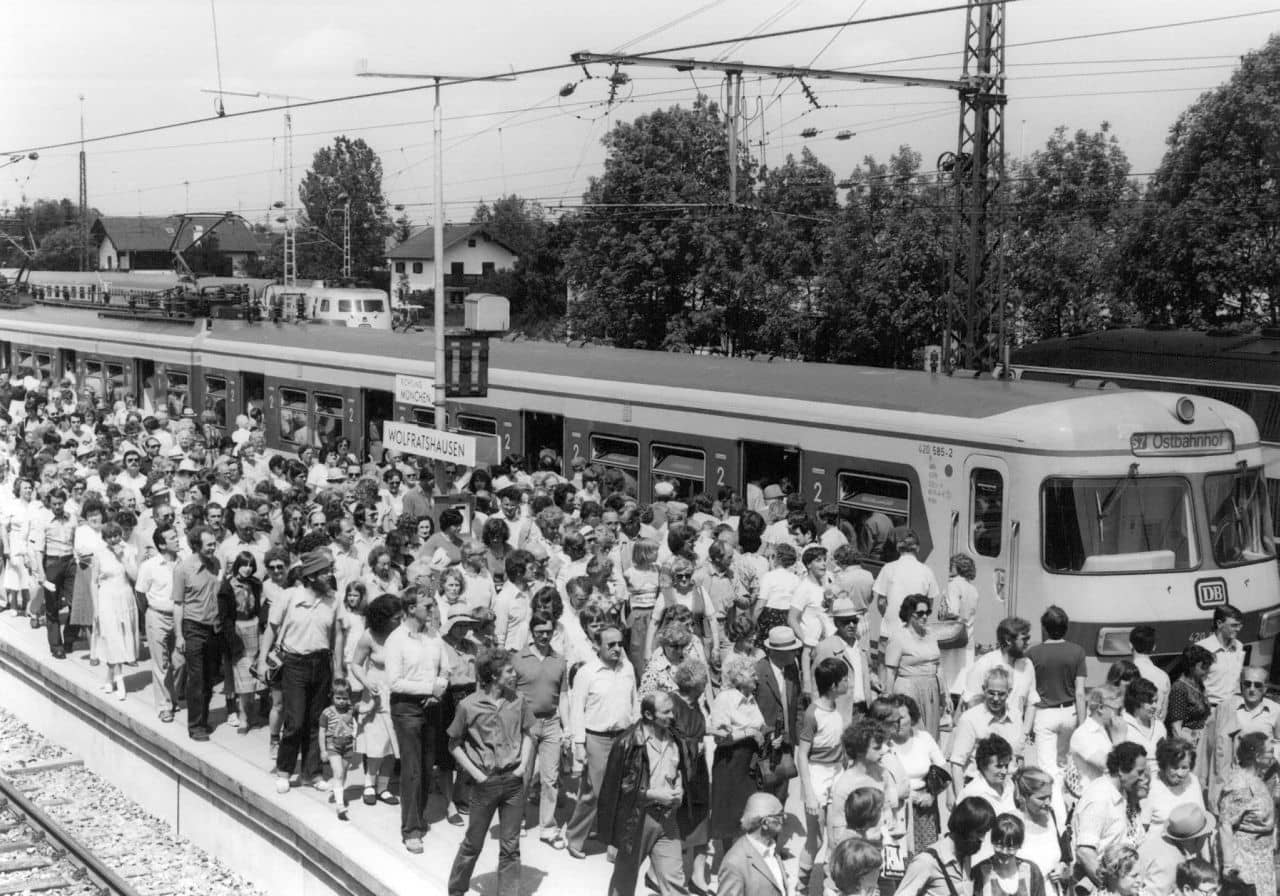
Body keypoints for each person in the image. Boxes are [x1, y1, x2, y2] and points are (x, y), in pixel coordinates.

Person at [445, 647, 535, 896]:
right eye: (508, 670)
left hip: (513, 782)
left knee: (510, 846)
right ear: (494, 676)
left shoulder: (519, 701)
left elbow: (529, 733)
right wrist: (477, 775)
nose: (514, 674)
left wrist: (523, 765)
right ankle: (456, 889)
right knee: (473, 843)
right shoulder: (468, 705)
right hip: (485, 783)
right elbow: (453, 744)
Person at [259, 549, 345, 794]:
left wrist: (338, 669)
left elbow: (337, 635)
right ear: (310, 576)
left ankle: (312, 773)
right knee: (295, 721)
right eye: (324, 572)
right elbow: (271, 629)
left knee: (317, 721)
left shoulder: (334, 600)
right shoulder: (288, 596)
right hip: (294, 663)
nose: (329, 575)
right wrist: (263, 660)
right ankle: (285, 770)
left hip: (321, 664)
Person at [599, 690, 690, 896]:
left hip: (667, 821)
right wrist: (655, 795)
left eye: (672, 711)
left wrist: (680, 787)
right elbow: (616, 790)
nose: (672, 716)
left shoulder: (675, 738)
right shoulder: (627, 743)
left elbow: (680, 770)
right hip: (637, 821)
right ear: (649, 715)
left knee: (675, 883)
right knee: (624, 882)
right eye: (665, 712)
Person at [383, 588, 449, 852]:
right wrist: (428, 689)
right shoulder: (396, 640)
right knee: (411, 769)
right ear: (411, 608)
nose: (432, 609)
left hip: (432, 706)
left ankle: (419, 819)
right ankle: (410, 829)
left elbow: (445, 668)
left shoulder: (434, 636)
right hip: (406, 709)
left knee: (426, 765)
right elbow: (395, 682)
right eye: (427, 605)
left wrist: (438, 691)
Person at [566, 623, 639, 859]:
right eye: (611, 644)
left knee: (623, 791)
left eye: (620, 643)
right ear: (598, 646)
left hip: (624, 737)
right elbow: (577, 709)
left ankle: (613, 843)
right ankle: (575, 837)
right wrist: (579, 744)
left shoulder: (627, 669)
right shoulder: (587, 673)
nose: (617, 648)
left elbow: (634, 702)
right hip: (596, 738)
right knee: (596, 792)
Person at [513, 610, 569, 847]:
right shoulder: (518, 658)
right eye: (539, 632)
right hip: (527, 725)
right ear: (531, 633)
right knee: (523, 776)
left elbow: (564, 696)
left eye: (548, 632)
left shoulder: (559, 660)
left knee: (550, 778)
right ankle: (518, 820)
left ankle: (548, 827)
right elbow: (510, 695)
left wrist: (568, 728)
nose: (544, 636)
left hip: (552, 723)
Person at [796, 657, 851, 893]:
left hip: (837, 772)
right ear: (833, 685)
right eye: (845, 679)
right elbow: (802, 755)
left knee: (836, 835)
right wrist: (809, 793)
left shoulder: (836, 707)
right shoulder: (812, 714)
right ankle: (801, 886)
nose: (848, 682)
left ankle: (830, 886)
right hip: (817, 776)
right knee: (815, 839)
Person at [709, 653, 769, 852]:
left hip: (749, 763)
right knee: (729, 814)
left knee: (748, 811)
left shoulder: (750, 699)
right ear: (740, 677)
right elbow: (720, 737)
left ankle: (745, 856)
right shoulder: (725, 699)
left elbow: (760, 726)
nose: (756, 678)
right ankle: (729, 858)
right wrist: (749, 732)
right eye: (752, 674)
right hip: (730, 761)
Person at [346, 593, 401, 806]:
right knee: (377, 742)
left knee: (392, 742)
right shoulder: (369, 635)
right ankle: (369, 783)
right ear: (383, 617)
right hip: (377, 693)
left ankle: (383, 787)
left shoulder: (402, 634)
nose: (399, 621)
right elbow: (356, 663)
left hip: (397, 692)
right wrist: (366, 683)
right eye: (395, 617)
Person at [1073, 743, 1150, 891]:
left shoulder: (1125, 794)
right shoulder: (1099, 798)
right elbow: (1085, 852)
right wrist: (1108, 888)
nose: (1142, 779)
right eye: (1139, 773)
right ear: (1121, 770)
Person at [173, 525, 224, 741]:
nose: (213, 548)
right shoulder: (183, 569)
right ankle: (195, 726)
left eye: (214, 543)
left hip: (214, 628)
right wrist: (179, 636)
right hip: (193, 627)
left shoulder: (215, 564)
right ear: (196, 545)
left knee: (210, 677)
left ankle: (204, 717)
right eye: (209, 544)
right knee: (196, 678)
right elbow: (178, 603)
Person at [1026, 606, 1085, 782]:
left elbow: (1030, 691)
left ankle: (1053, 805)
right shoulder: (1077, 652)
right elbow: (1080, 693)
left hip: (1044, 713)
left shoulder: (1033, 654)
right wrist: (1082, 725)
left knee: (1047, 769)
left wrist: (1026, 724)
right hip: (1070, 713)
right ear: (1066, 628)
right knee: (1064, 765)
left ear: (1044, 628)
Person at [1208, 665, 1280, 805]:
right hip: (1235, 779)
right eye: (1247, 684)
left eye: (1257, 685)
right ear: (1241, 685)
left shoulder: (1276, 711)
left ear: (1265, 688)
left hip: (1263, 780)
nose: (1252, 689)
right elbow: (1211, 744)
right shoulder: (1227, 708)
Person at [894, 797, 995, 896]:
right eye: (979, 833)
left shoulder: (965, 857)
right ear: (964, 827)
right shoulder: (926, 862)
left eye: (984, 833)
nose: (982, 839)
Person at [669, 658, 712, 893]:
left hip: (698, 773)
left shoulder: (697, 703)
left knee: (702, 823)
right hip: (680, 775)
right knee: (678, 826)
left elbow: (698, 729)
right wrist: (695, 746)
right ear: (694, 684)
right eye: (704, 682)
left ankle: (698, 877)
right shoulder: (672, 705)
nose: (706, 686)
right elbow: (668, 739)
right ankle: (672, 876)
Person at [1217, 731, 1276, 896]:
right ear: (1257, 756)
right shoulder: (1239, 785)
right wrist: (1229, 865)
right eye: (1270, 751)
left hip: (1261, 859)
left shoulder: (1256, 778)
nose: (1274, 755)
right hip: (1245, 862)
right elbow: (1225, 824)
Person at [135, 523, 183, 722]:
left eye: (176, 536)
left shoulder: (184, 563)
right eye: (172, 538)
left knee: (180, 661)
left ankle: (173, 695)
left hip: (180, 617)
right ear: (162, 545)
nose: (177, 539)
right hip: (157, 615)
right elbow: (140, 593)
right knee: (161, 663)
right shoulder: (150, 566)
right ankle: (164, 706)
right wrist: (148, 612)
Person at [949, 667, 1025, 791]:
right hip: (979, 788)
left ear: (1009, 692)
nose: (996, 699)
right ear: (984, 690)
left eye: (1001, 694)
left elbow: (1020, 758)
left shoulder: (1016, 716)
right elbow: (957, 763)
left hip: (1009, 788)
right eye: (991, 693)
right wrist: (960, 799)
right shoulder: (970, 718)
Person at [753, 626, 803, 803]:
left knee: (782, 794)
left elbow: (797, 703)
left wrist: (799, 737)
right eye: (790, 650)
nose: (795, 653)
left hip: (787, 743)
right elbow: (750, 712)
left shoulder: (791, 669)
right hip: (765, 746)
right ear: (775, 652)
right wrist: (767, 734)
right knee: (763, 794)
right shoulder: (758, 672)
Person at [883, 595, 945, 739]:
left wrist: (945, 695)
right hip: (909, 689)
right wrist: (890, 701)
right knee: (915, 731)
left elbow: (939, 666)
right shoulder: (898, 637)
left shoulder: (931, 634)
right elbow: (890, 671)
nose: (925, 617)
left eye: (927, 613)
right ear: (910, 614)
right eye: (920, 613)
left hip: (931, 689)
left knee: (931, 733)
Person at [90, 521, 139, 700]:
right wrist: (95, 608)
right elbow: (93, 582)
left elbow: (135, 577)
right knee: (112, 637)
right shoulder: (99, 554)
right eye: (109, 537)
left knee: (123, 637)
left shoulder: (129, 550)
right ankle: (120, 681)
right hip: (107, 598)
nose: (113, 539)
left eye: (116, 535)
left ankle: (109, 679)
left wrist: (124, 559)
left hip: (125, 597)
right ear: (105, 539)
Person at [813, 596, 874, 725]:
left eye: (854, 620)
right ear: (836, 623)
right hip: (840, 713)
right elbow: (816, 686)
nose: (851, 625)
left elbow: (865, 671)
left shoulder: (861, 645)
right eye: (846, 621)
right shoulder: (825, 647)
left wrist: (873, 679)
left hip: (865, 710)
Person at [220, 550, 262, 734]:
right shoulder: (228, 586)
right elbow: (224, 616)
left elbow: (259, 607)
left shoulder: (255, 584)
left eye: (250, 565)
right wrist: (232, 639)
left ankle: (251, 709)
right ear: (237, 565)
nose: (247, 569)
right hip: (237, 630)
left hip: (254, 628)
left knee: (254, 675)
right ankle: (242, 715)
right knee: (242, 677)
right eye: (244, 564)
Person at [717, 792, 791, 896]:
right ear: (765, 823)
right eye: (780, 815)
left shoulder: (771, 848)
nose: (785, 817)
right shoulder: (734, 864)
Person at [1010, 767, 1071, 894]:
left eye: (1050, 796)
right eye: (1041, 798)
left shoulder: (1053, 818)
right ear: (1024, 796)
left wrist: (1063, 871)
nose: (1048, 802)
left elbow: (1066, 863)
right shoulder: (1011, 823)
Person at [1136, 803, 1216, 896]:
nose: (1209, 835)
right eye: (1206, 833)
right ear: (1194, 838)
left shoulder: (1162, 841)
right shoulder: (1170, 864)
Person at [1066, 685, 1126, 801]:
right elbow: (1109, 765)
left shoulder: (1110, 730)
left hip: (1111, 796)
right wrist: (1120, 740)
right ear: (1101, 708)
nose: (1121, 715)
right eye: (1118, 710)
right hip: (1092, 800)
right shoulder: (1083, 734)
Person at [1166, 644, 1215, 777]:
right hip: (1188, 744)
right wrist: (1185, 755)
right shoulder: (1179, 688)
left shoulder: (1198, 684)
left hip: (1201, 740)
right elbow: (1176, 728)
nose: (1207, 670)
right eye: (1203, 666)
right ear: (1191, 666)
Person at [970, 813, 1047, 896]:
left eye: (1010, 847)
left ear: (1019, 845)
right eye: (999, 845)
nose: (1004, 851)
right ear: (992, 841)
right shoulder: (979, 872)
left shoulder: (1032, 871)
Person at [938, 553, 979, 698]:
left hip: (952, 635)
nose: (949, 567)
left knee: (948, 677)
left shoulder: (953, 585)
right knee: (963, 675)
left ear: (959, 568)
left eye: (952, 565)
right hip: (967, 635)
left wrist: (941, 615)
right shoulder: (973, 589)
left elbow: (952, 611)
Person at [319, 678, 359, 820]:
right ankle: (340, 805)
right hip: (333, 746)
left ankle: (338, 793)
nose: (341, 701)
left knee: (344, 772)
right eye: (338, 698)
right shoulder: (327, 713)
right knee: (338, 772)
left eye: (345, 698)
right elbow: (322, 732)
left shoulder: (351, 710)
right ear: (332, 696)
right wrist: (323, 750)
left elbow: (365, 709)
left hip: (348, 746)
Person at [1196, 604, 1245, 708]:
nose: (1238, 629)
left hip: (1234, 708)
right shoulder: (1201, 649)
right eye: (1234, 625)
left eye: (1240, 625)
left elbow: (1237, 682)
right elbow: (1193, 684)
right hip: (1210, 710)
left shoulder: (1239, 647)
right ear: (1219, 623)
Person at [959, 734, 1017, 816]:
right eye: (999, 766)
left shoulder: (1010, 785)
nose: (1004, 771)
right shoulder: (972, 793)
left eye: (1006, 766)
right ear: (983, 765)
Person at [1129, 625, 1169, 722]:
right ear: (1154, 647)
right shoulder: (1163, 677)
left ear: (1130, 645)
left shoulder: (1125, 673)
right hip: (1156, 732)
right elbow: (1163, 712)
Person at [1119, 677, 1165, 762]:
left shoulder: (1159, 726)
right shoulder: (1121, 725)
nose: (1155, 706)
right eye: (1150, 702)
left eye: (1155, 701)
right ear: (1137, 702)